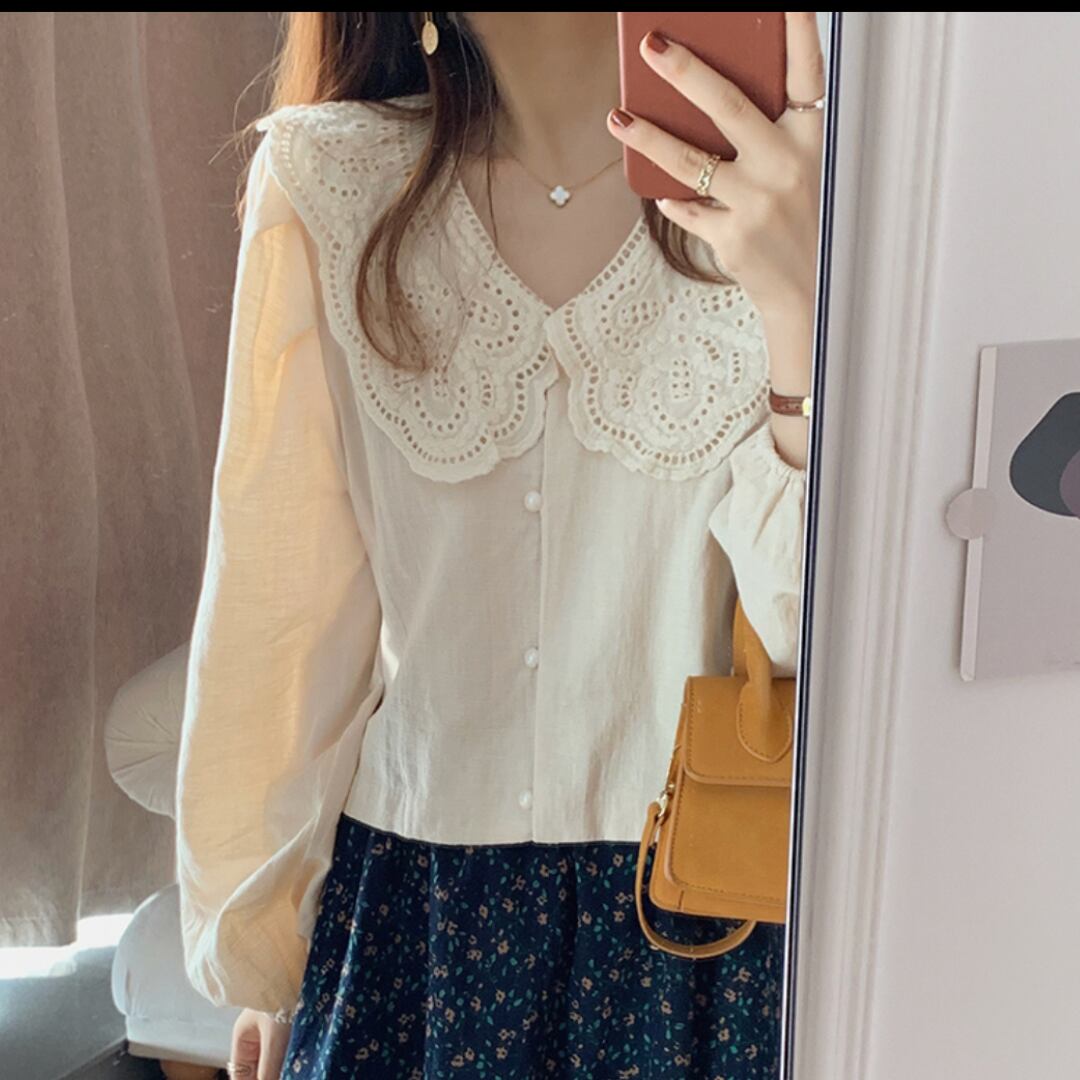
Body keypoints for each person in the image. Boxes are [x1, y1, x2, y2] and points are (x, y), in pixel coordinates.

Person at [175, 11, 823, 1079]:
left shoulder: (789, 180)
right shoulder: (328, 182)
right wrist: (271, 958)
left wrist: (801, 307)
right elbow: (281, 620)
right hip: (412, 932)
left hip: (712, 929)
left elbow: (825, 643)